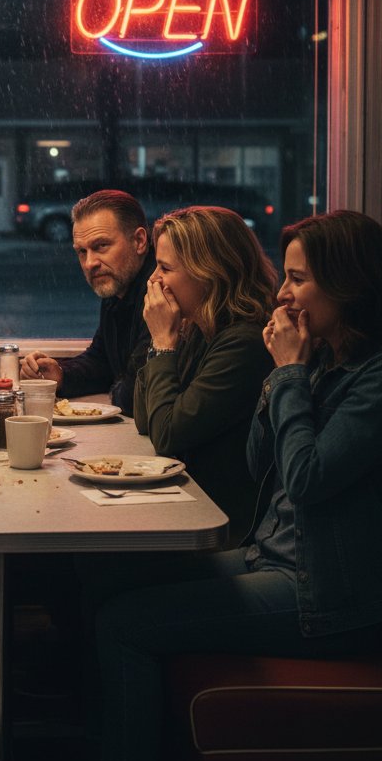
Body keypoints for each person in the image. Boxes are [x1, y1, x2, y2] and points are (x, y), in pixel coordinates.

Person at [92, 210, 382, 761]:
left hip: (330, 593)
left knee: (124, 624)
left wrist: (285, 376)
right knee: (111, 575)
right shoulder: (324, 360)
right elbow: (260, 460)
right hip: (271, 559)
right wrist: (283, 377)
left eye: (298, 279)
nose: (282, 293)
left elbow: (304, 478)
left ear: (348, 284)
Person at [134, 205, 276, 542]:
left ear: (208, 273)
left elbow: (167, 435)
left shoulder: (245, 342)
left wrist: (162, 343)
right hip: (193, 503)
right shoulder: (200, 328)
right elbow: (145, 417)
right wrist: (160, 342)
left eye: (165, 268)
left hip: (225, 525)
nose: (154, 278)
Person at [20, 189, 155, 415]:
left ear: (139, 241)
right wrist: (60, 374)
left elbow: (136, 396)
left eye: (101, 246)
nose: (90, 263)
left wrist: (117, 387)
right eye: (82, 251)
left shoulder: (159, 293)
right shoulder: (118, 286)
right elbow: (102, 360)